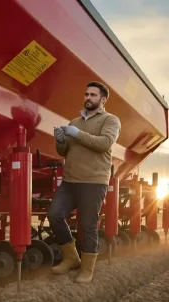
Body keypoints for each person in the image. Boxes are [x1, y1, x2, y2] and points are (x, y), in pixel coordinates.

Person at [48, 81, 121, 283]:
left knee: (88, 225)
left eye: (93, 95)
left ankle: (87, 269)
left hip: (94, 181)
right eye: (86, 94)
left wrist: (77, 134)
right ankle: (71, 258)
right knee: (54, 214)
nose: (88, 98)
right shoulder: (73, 123)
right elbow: (64, 152)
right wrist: (61, 140)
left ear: (103, 99)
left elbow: (104, 144)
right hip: (70, 181)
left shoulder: (111, 120)